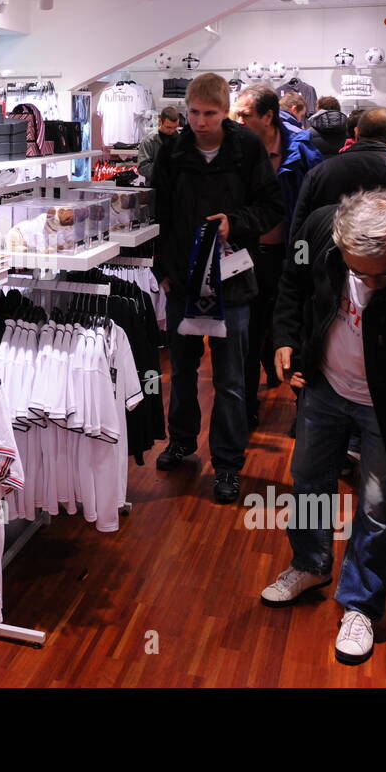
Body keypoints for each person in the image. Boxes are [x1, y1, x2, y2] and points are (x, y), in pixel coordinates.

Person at [264, 190, 386, 664]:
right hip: (324, 387)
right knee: (309, 480)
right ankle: (310, 563)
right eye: (359, 273)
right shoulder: (317, 228)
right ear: (339, 243)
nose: (371, 283)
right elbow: (293, 284)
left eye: (385, 273)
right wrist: (287, 338)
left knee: (376, 507)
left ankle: (361, 604)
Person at [152, 74, 284, 504]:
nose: (200, 121)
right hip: (181, 281)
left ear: (225, 112)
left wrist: (236, 223)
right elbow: (162, 214)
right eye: (194, 113)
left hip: (235, 281)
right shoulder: (173, 150)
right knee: (183, 372)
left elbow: (270, 207)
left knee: (229, 379)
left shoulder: (246, 148)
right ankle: (182, 440)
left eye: (210, 113)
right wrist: (163, 270)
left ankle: (228, 462)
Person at [232, 86, 323, 430]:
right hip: (249, 255)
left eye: (244, 115)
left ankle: (305, 413)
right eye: (235, 114)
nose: (236, 120)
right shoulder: (236, 151)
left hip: (294, 254)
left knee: (297, 330)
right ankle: (246, 407)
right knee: (248, 333)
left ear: (267, 117)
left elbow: (315, 200)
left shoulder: (302, 148)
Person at [290, 106, 386, 252]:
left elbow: (300, 228)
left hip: (331, 266)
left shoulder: (319, 173)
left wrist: (298, 265)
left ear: (356, 133)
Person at [137, 106, 181, 184]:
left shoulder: (181, 140)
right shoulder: (149, 141)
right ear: (160, 121)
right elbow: (142, 168)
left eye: (175, 127)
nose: (172, 131)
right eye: (168, 127)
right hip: (156, 189)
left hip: (177, 190)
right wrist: (164, 167)